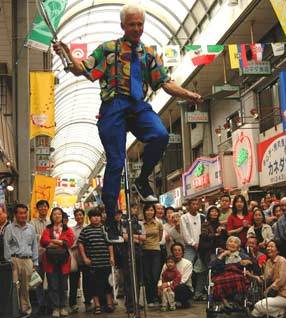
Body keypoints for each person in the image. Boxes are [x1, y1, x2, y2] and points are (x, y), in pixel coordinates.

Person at [53, 4, 202, 242]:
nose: (137, 28)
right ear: (123, 25)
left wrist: (188, 94)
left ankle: (143, 180)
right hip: (113, 107)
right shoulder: (108, 49)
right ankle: (111, 220)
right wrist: (67, 53)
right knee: (116, 163)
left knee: (161, 134)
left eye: (140, 24)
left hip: (137, 106)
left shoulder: (149, 54)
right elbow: (82, 69)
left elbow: (164, 82)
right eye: (132, 24)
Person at [78, 208, 115, 314]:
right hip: (93, 263)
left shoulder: (105, 229)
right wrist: (84, 258)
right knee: (94, 285)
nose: (96, 218)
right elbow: (80, 244)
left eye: (98, 216)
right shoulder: (86, 230)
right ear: (89, 218)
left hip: (105, 262)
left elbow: (110, 244)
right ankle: (97, 305)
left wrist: (112, 257)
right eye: (93, 216)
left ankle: (109, 304)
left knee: (107, 283)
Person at [4, 204, 39, 315]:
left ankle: (26, 311)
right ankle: (14, 311)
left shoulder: (31, 228)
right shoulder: (9, 228)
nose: (23, 215)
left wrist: (35, 262)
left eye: (25, 213)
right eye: (20, 213)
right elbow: (6, 245)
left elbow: (34, 246)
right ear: (15, 214)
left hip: (27, 261)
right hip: (14, 260)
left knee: (25, 288)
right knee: (14, 287)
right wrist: (9, 261)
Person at [40, 207, 75, 318]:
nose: (57, 216)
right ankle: (55, 307)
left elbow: (69, 242)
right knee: (53, 285)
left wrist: (54, 242)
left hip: (64, 261)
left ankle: (63, 306)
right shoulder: (47, 229)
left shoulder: (67, 229)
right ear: (51, 216)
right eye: (54, 214)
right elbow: (44, 242)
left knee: (63, 285)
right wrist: (60, 242)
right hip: (50, 261)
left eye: (59, 214)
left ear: (62, 216)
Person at [251, 240, 286, 318]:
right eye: (268, 246)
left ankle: (280, 312)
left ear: (278, 250)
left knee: (258, 306)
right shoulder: (269, 262)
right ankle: (278, 312)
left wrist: (269, 289)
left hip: (284, 296)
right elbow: (266, 278)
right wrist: (254, 276)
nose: (268, 248)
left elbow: (281, 281)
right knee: (255, 312)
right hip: (274, 295)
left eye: (271, 246)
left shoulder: (282, 260)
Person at [209, 236, 251, 312]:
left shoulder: (243, 256)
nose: (232, 244)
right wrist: (222, 255)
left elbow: (252, 265)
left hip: (237, 273)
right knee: (217, 281)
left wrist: (248, 262)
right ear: (227, 245)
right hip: (223, 274)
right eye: (230, 241)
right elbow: (211, 266)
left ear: (238, 247)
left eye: (235, 242)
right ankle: (224, 301)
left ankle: (237, 301)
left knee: (239, 278)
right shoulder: (221, 255)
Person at [121, 203, 146, 313]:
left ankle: (136, 302)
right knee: (128, 279)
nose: (134, 210)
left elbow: (144, 238)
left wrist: (133, 237)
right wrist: (136, 238)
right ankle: (129, 303)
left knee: (138, 278)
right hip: (127, 253)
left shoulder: (140, 223)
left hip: (138, 252)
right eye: (132, 208)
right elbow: (125, 237)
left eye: (136, 208)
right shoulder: (124, 222)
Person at [69, 209, 92, 313]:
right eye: (77, 215)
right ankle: (73, 304)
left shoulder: (89, 227)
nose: (79, 217)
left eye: (80, 215)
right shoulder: (72, 229)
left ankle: (88, 302)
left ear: (84, 215)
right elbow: (70, 243)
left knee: (87, 280)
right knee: (73, 281)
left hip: (87, 256)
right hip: (75, 256)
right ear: (75, 217)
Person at [30, 199, 50, 314]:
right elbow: (32, 237)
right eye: (41, 207)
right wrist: (45, 237)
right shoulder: (32, 223)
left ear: (48, 208)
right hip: (38, 256)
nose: (43, 208)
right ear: (37, 209)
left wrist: (42, 237)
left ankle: (51, 304)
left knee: (51, 280)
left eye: (45, 206)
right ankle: (41, 304)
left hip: (50, 256)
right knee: (38, 281)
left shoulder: (50, 222)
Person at [142, 204, 163, 307]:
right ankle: (149, 299)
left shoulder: (158, 224)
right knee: (147, 276)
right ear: (144, 212)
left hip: (155, 251)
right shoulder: (141, 224)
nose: (149, 212)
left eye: (151, 210)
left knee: (155, 275)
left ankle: (156, 297)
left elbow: (160, 237)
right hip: (144, 251)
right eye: (147, 210)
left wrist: (153, 243)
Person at [169, 243, 193, 308]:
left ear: (182, 252)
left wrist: (169, 284)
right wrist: (160, 286)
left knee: (180, 287)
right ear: (172, 252)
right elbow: (161, 277)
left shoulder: (188, 263)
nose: (177, 252)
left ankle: (184, 302)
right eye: (175, 250)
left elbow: (183, 280)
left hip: (183, 287)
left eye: (179, 250)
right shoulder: (168, 263)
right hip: (169, 286)